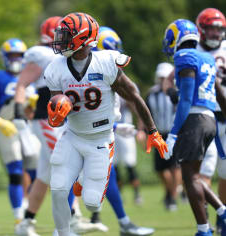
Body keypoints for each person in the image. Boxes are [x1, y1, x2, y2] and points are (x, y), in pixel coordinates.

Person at [45, 12, 167, 236]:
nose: (60, 40)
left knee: (92, 203)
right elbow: (56, 108)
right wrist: (56, 113)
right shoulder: (56, 67)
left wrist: (152, 131)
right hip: (72, 135)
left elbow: (134, 97)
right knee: (58, 189)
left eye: (66, 35)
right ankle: (63, 233)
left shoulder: (106, 62)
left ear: (82, 38)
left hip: (101, 139)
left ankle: (83, 179)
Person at [14, 17, 99, 236]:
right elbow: (22, 83)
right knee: (66, 165)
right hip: (47, 121)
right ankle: (70, 221)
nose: (64, 38)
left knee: (44, 175)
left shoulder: (66, 57)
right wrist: (17, 111)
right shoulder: (41, 54)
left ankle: (26, 223)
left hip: (59, 121)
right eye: (62, 33)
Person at [71, 26, 154, 235]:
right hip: (82, 134)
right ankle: (68, 224)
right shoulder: (93, 71)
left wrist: (118, 125)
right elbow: (85, 112)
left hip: (97, 131)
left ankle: (121, 221)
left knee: (108, 175)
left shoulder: (96, 69)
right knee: (71, 176)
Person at [162, 19, 226, 236]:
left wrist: (172, 133)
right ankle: (223, 211)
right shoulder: (207, 58)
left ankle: (203, 230)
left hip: (195, 120)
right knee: (195, 176)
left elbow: (187, 100)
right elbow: (219, 93)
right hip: (210, 121)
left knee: (190, 179)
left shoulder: (184, 56)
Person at [0, 38, 40, 227]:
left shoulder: (34, 76)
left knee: (37, 172)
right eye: (11, 55)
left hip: (29, 128)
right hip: (9, 128)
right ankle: (18, 215)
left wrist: (35, 107)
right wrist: (0, 123)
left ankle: (28, 208)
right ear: (4, 57)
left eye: (18, 55)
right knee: (15, 172)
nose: (15, 59)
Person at [195, 8, 226, 234]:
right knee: (198, 173)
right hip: (203, 116)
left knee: (225, 174)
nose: (215, 33)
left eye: (219, 29)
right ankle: (204, 222)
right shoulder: (192, 49)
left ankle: (220, 218)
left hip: (224, 117)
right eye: (211, 28)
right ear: (201, 30)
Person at [143, 62, 181, 211]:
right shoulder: (152, 94)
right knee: (160, 168)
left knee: (175, 166)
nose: (162, 80)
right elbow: (146, 113)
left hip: (174, 133)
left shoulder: (176, 92)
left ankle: (172, 198)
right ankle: (170, 193)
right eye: (160, 77)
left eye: (165, 77)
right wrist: (144, 131)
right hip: (158, 134)